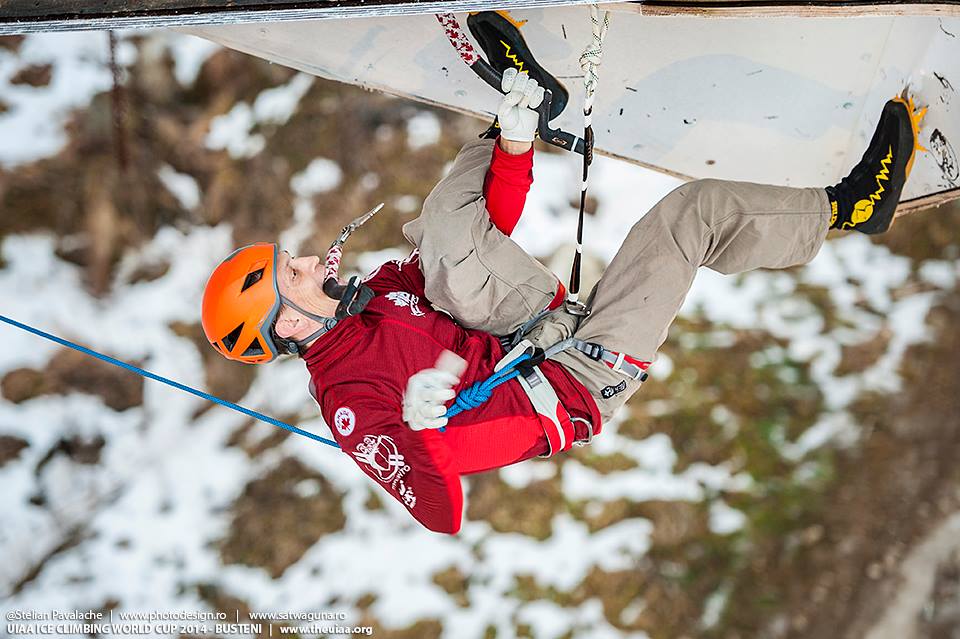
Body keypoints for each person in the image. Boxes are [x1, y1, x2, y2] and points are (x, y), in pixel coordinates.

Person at [201, 69, 923, 534]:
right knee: (688, 213)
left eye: (288, 258)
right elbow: (439, 510)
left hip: (529, 322)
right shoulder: (351, 398)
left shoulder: (374, 295)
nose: (306, 260)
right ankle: (853, 208)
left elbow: (475, 244)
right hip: (573, 377)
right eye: (291, 274)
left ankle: (518, 118)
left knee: (442, 235)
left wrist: (512, 156)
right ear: (289, 323)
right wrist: (425, 430)